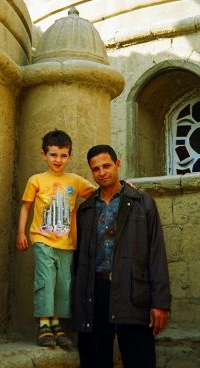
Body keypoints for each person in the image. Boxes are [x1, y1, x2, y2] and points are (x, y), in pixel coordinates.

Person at [73, 144, 171, 367]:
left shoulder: (141, 202)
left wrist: (160, 303)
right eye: (96, 169)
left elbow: (156, 252)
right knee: (94, 360)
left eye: (106, 166)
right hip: (94, 294)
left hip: (132, 292)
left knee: (140, 359)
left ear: (117, 164)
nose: (102, 172)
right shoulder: (86, 209)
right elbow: (78, 260)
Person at [17, 129, 96, 347]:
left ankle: (56, 324)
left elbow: (97, 193)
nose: (58, 160)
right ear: (43, 154)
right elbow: (26, 207)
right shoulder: (36, 180)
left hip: (67, 243)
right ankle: (44, 324)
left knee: (64, 284)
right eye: (53, 155)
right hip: (42, 239)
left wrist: (124, 186)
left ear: (69, 155)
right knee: (46, 280)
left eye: (63, 155)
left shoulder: (75, 181)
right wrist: (21, 232)